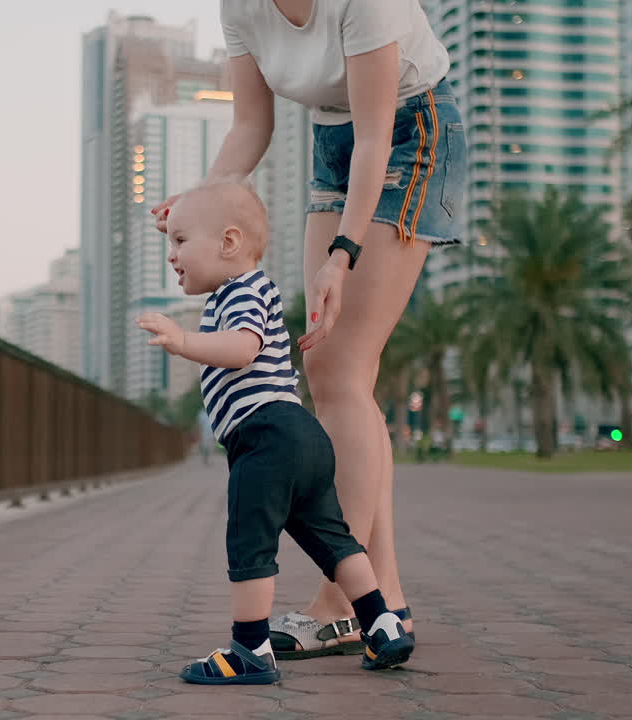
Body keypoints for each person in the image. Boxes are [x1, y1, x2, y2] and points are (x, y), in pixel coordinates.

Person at [151, 0, 463, 657]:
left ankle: (342, 601)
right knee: (329, 372)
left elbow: (377, 134)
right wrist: (199, 203)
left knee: (341, 369)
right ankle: (386, 600)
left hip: (408, 131)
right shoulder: (239, 6)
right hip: (331, 140)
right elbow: (250, 125)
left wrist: (341, 257)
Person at [137, 180, 413, 685]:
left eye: (179, 242)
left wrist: (182, 341)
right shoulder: (245, 289)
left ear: (228, 243)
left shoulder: (240, 291)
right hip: (300, 434)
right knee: (335, 540)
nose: (171, 255)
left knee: (250, 542)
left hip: (264, 436)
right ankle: (382, 623)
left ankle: (250, 650)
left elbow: (243, 348)